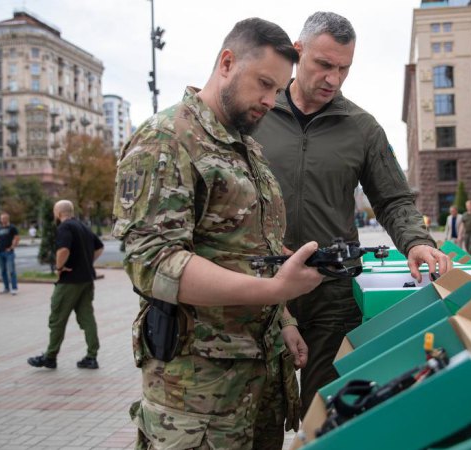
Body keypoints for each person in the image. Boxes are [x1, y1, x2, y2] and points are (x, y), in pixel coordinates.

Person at [111, 18, 324, 450]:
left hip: (257, 384)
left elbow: (255, 251)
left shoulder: (249, 149)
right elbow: (153, 263)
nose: (270, 100)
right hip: (197, 398)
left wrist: (282, 317)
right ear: (227, 63)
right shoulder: (166, 139)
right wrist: (272, 292)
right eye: (263, 83)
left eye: (279, 91)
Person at [252, 11, 452, 418]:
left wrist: (416, 241)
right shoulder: (256, 114)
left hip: (333, 294)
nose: (334, 79)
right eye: (324, 65)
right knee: (259, 417)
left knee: (326, 413)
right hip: (259, 288)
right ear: (298, 51)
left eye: (344, 68)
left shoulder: (362, 128)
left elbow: (394, 199)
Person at [27, 200, 104, 370]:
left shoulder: (65, 227)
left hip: (69, 281)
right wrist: (86, 263)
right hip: (86, 280)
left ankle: (50, 356)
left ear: (58, 212)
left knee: (57, 319)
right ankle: (92, 357)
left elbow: (63, 250)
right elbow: (99, 247)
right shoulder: (83, 226)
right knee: (87, 317)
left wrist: (59, 267)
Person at [0, 212, 20, 295]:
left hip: (9, 253)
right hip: (0, 252)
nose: (3, 220)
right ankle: (6, 288)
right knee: (3, 271)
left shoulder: (12, 227)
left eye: (4, 218)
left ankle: (14, 288)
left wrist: (12, 247)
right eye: (2, 218)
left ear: (8, 219)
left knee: (11, 271)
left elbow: (17, 238)